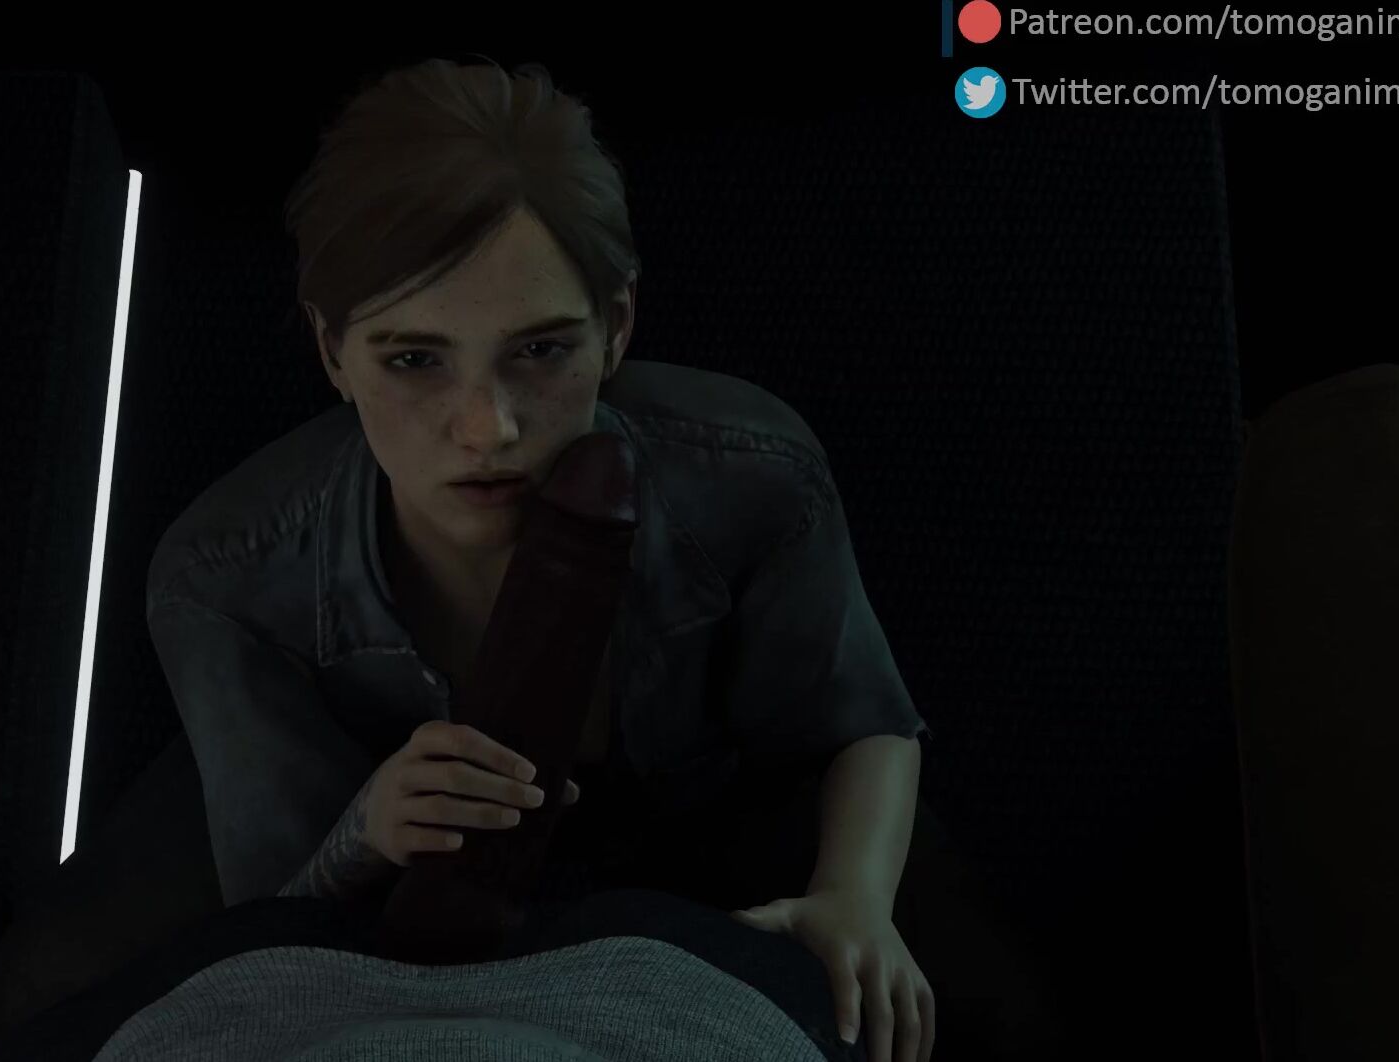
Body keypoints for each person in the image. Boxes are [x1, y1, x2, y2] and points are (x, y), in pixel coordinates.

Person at [131, 54, 1050, 1062]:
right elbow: (275, 921)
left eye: (540, 351)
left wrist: (852, 899)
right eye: (414, 359)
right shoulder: (227, 577)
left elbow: (862, 717)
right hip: (381, 907)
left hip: (726, 849)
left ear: (615, 326)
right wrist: (367, 829)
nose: (488, 428)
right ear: (329, 353)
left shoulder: (751, 475)